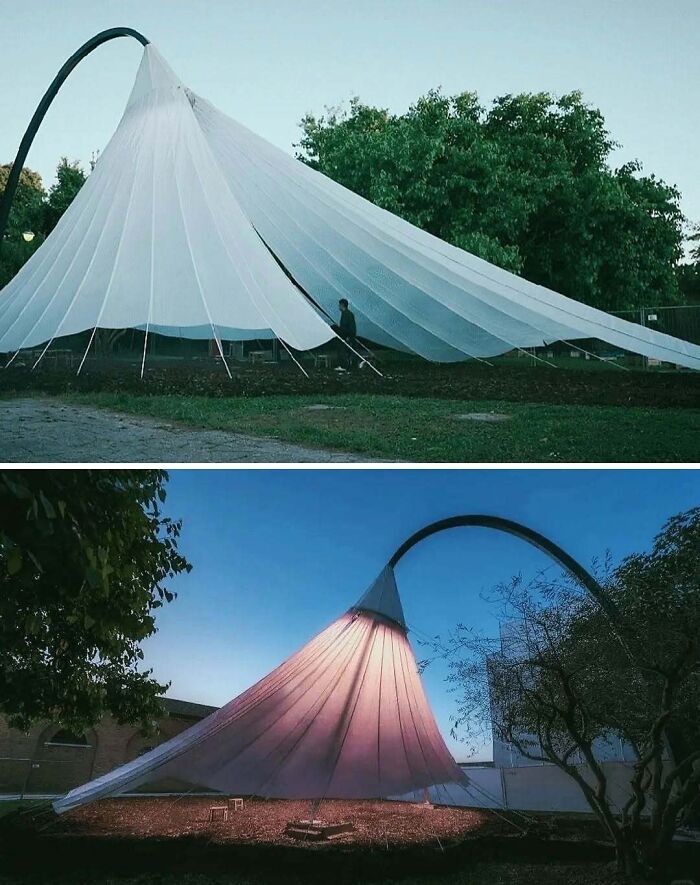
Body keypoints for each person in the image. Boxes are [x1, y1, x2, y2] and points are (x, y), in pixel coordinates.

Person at [333, 298, 357, 369]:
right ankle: (345, 365)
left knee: (342, 351)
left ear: (342, 305)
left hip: (346, 336)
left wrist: (348, 336)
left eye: (339, 305)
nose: (339, 306)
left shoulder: (347, 314)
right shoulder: (346, 313)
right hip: (345, 335)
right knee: (344, 351)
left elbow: (349, 326)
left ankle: (344, 366)